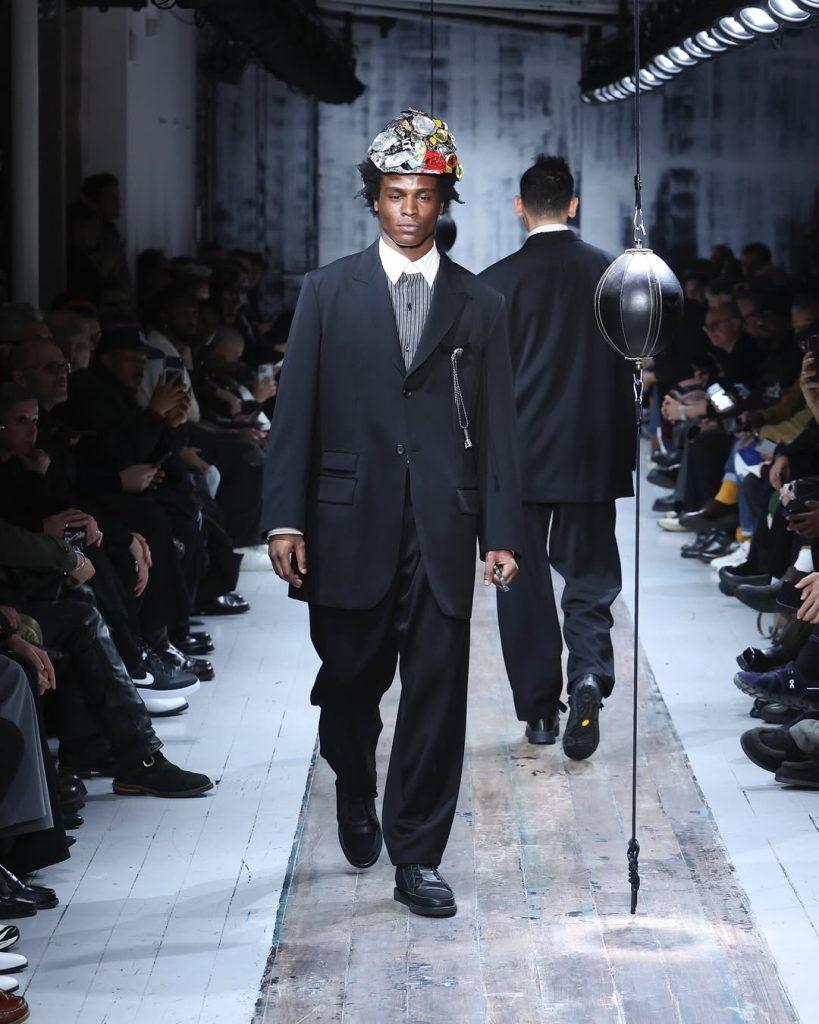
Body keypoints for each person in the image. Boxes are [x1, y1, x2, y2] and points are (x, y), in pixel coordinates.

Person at [262, 108, 523, 919]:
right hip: (346, 518)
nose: (409, 209)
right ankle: (352, 776)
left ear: (445, 201)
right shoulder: (327, 291)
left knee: (436, 693)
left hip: (443, 522)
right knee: (350, 677)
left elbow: (501, 426)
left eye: (424, 195)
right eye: (395, 194)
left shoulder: (480, 303)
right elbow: (295, 411)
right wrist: (283, 518)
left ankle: (417, 856)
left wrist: (502, 532)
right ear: (373, 198)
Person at [480, 155, 634, 760]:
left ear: (519, 207)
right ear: (573, 205)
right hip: (590, 454)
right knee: (590, 578)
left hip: (517, 461)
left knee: (520, 584)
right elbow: (636, 360)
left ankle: (541, 713)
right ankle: (588, 674)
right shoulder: (612, 275)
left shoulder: (493, 283)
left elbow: (479, 385)